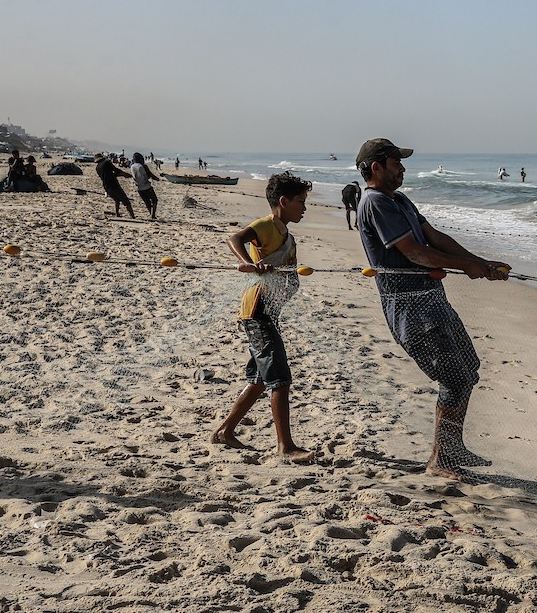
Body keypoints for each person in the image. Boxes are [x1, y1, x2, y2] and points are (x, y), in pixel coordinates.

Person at [354, 138, 511, 480]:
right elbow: (414, 253)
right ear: (376, 167)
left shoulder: (399, 199)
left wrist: (479, 263)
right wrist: (467, 267)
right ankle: (440, 460)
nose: (402, 168)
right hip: (409, 306)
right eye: (396, 162)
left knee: (468, 367)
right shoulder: (376, 202)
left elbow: (434, 238)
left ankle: (453, 448)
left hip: (432, 298)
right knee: (453, 377)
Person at [211, 172, 315, 462]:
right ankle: (286, 447)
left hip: (269, 313)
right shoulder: (266, 226)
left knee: (259, 378)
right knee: (280, 378)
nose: (304, 207)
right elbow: (235, 238)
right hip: (257, 312)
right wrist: (248, 264)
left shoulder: (287, 236)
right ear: (283, 201)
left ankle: (225, 432)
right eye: (300, 202)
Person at [130, 152, 161, 219]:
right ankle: (153, 215)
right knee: (154, 200)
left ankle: (151, 214)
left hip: (138, 188)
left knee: (147, 202)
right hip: (146, 186)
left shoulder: (132, 166)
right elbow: (150, 175)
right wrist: (158, 179)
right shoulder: (143, 166)